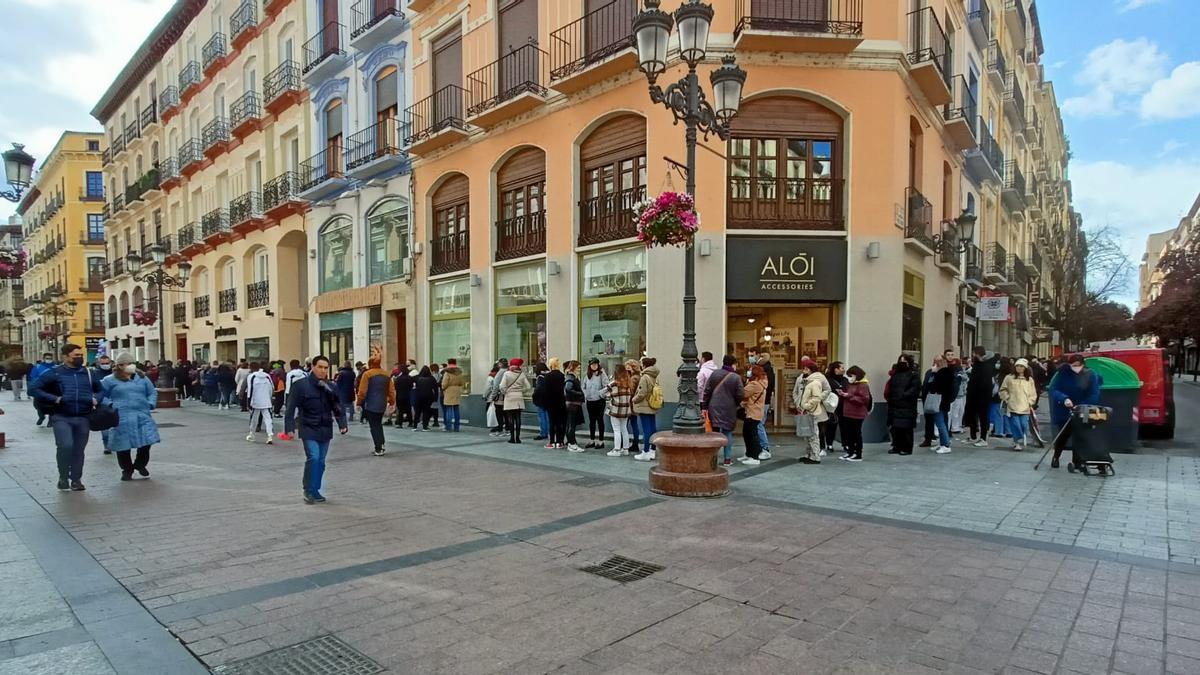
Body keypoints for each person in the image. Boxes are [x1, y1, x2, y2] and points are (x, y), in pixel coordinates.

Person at [30, 343, 100, 490]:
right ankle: (63, 476)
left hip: (83, 416)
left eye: (81, 355)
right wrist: (54, 398)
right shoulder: (55, 373)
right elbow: (33, 388)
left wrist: (97, 398)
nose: (80, 358)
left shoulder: (88, 373)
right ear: (66, 357)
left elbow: (101, 390)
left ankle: (76, 480)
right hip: (61, 416)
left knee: (79, 450)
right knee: (65, 446)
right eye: (76, 356)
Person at [285, 355, 348, 504]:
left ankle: (315, 489)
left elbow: (338, 406)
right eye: (320, 367)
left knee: (321, 461)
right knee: (313, 457)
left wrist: (342, 423)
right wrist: (289, 426)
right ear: (312, 367)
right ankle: (308, 489)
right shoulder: (301, 385)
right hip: (308, 427)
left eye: (325, 368)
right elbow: (290, 407)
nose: (323, 370)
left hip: (325, 428)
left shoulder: (331, 386)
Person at [100, 353, 160, 481]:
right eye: (127, 364)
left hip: (142, 414)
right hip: (121, 416)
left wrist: (150, 403)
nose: (130, 366)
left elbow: (152, 392)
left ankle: (140, 464)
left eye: (132, 363)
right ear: (120, 365)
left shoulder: (142, 378)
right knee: (123, 445)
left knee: (147, 441)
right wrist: (110, 404)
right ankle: (127, 469)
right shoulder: (109, 380)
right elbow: (100, 395)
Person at [1048, 354, 1102, 468]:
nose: (1076, 367)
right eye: (1073, 365)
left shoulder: (1090, 375)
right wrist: (1064, 398)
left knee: (1080, 436)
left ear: (1083, 365)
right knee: (1063, 435)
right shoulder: (1063, 373)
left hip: (1082, 410)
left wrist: (1081, 405)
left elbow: (1094, 394)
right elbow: (1054, 389)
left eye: (1078, 365)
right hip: (1065, 410)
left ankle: (1077, 461)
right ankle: (1056, 456)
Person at [704, 355, 743, 467]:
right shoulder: (736, 377)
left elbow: (707, 391)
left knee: (714, 433)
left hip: (714, 407)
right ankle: (727, 459)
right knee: (727, 432)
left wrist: (705, 407)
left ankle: (713, 458)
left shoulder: (715, 374)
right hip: (729, 408)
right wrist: (735, 403)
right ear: (733, 364)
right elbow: (740, 394)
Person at [356, 357, 395, 455]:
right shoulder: (386, 374)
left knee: (374, 426)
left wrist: (359, 402)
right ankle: (381, 444)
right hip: (382, 403)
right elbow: (391, 391)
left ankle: (379, 447)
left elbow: (362, 391)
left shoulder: (367, 374)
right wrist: (392, 402)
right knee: (378, 424)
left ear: (370, 363)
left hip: (371, 403)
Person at [793, 358, 829, 464]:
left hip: (813, 409)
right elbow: (796, 391)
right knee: (806, 433)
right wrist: (797, 403)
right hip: (802, 409)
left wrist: (814, 402)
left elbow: (827, 390)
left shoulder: (820, 378)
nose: (803, 370)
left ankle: (815, 456)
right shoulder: (801, 378)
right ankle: (808, 454)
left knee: (813, 433)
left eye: (805, 368)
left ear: (809, 369)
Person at [1000, 357, 1038, 451]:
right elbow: (1003, 389)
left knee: (1024, 425)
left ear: (1025, 368)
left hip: (1025, 407)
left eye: (1021, 366)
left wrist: (1030, 402)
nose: (1019, 368)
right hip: (1013, 406)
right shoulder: (1009, 377)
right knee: (1015, 425)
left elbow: (1033, 393)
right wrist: (1007, 398)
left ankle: (1018, 438)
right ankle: (1017, 442)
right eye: (1017, 366)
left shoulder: (1029, 380)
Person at [886, 356, 921, 456]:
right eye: (900, 361)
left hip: (907, 405)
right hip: (895, 404)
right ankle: (896, 446)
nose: (902, 363)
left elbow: (914, 389)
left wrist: (903, 395)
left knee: (906, 429)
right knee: (896, 428)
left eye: (904, 361)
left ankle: (907, 448)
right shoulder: (896, 374)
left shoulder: (914, 374)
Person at [966, 346, 999, 446]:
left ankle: (983, 438)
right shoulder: (977, 363)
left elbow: (985, 381)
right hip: (973, 393)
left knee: (983, 416)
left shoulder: (987, 364)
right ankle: (973, 436)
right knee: (972, 414)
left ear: (976, 353)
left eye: (973, 353)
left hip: (983, 395)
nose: (972, 355)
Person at [837, 366, 872, 462]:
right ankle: (850, 452)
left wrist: (849, 396)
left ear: (856, 375)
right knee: (849, 433)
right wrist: (843, 395)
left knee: (856, 433)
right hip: (848, 412)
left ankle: (858, 454)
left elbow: (864, 399)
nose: (849, 378)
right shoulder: (851, 384)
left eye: (851, 376)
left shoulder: (863, 385)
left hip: (857, 413)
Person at [631, 357, 661, 462]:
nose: (640, 365)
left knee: (646, 429)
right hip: (652, 404)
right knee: (652, 428)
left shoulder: (644, 377)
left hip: (644, 406)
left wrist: (634, 399)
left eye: (641, 363)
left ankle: (646, 452)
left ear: (644, 365)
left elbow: (642, 393)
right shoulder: (654, 376)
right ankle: (652, 450)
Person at [926, 355, 957, 454]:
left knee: (940, 423)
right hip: (943, 401)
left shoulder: (943, 373)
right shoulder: (947, 372)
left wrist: (934, 374)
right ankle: (942, 443)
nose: (936, 363)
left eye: (938, 361)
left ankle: (946, 444)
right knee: (940, 422)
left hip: (940, 401)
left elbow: (934, 387)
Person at [739, 365, 768, 465]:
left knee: (751, 435)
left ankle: (754, 456)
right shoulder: (762, 383)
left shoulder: (755, 384)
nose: (749, 373)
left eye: (750, 371)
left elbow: (743, 393)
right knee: (748, 433)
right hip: (756, 411)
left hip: (752, 413)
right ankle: (749, 454)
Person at [605, 364, 635, 456]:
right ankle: (625, 449)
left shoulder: (613, 383)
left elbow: (607, 395)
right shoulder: (628, 383)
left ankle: (617, 450)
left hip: (616, 409)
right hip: (626, 409)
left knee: (616, 430)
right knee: (624, 429)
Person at [499, 358, 531, 443]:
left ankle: (512, 438)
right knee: (518, 417)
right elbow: (528, 387)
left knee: (510, 418)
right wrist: (521, 391)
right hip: (519, 397)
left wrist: (505, 392)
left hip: (509, 397)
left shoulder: (507, 374)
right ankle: (518, 437)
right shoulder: (522, 374)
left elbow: (502, 386)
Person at [245, 362, 276, 444]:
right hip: (266, 400)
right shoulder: (267, 376)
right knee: (268, 418)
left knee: (254, 419)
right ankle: (270, 435)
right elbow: (271, 388)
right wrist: (270, 398)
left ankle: (252, 434)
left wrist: (248, 402)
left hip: (256, 401)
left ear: (251, 368)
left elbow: (250, 390)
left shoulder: (251, 377)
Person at [582, 359, 609, 449]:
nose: (594, 366)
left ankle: (601, 440)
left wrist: (600, 393)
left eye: (595, 364)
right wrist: (586, 395)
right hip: (590, 401)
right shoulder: (587, 375)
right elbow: (583, 386)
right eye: (592, 365)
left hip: (599, 401)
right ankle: (592, 439)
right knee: (591, 421)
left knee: (600, 420)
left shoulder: (602, 374)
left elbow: (607, 386)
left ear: (598, 365)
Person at [822, 361, 848, 456]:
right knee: (831, 425)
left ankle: (846, 444)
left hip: (844, 405)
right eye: (842, 368)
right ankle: (829, 444)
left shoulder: (845, 380)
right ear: (836, 369)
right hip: (832, 407)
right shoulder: (828, 380)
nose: (844, 369)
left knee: (844, 426)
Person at [755, 350, 776, 459]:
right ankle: (760, 447)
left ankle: (765, 448)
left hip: (762, 401)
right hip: (765, 401)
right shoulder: (770, 370)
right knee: (759, 424)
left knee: (759, 424)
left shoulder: (765, 372)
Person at [543, 358, 567, 449]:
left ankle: (551, 442)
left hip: (551, 403)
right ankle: (560, 441)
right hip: (560, 402)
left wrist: (545, 402)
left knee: (552, 423)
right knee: (559, 423)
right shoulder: (562, 375)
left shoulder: (548, 376)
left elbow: (545, 391)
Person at [563, 360, 585, 452]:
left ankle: (572, 443)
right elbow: (568, 388)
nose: (579, 369)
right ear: (574, 368)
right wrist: (579, 393)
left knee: (571, 424)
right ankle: (571, 444)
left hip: (572, 404)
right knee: (571, 425)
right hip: (573, 404)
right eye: (578, 368)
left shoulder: (571, 377)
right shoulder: (571, 377)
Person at [29, 352, 56, 426]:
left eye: (50, 358)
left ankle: (51, 421)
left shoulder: (56, 367)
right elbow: (33, 377)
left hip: (52, 389)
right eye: (47, 358)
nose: (49, 360)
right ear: (44, 359)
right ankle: (41, 416)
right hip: (40, 388)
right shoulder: (38, 367)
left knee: (53, 405)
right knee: (37, 405)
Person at [624, 359, 644, 456]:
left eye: (628, 366)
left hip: (629, 404)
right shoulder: (638, 377)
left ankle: (631, 444)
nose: (626, 368)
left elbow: (630, 391)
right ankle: (634, 443)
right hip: (634, 405)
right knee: (633, 424)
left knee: (626, 424)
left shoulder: (633, 378)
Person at [413, 366, 440, 431]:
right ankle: (425, 427)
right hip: (428, 397)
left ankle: (415, 426)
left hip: (418, 396)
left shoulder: (417, 378)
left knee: (417, 412)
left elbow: (413, 384)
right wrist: (435, 398)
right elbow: (435, 389)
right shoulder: (432, 378)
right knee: (426, 412)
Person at [532, 362, 550, 441]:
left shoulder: (540, 377)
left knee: (542, 417)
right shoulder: (549, 375)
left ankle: (543, 433)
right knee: (548, 417)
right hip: (549, 399)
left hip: (541, 400)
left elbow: (538, 389)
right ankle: (550, 432)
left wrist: (534, 396)